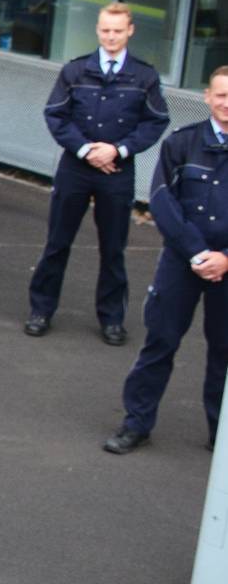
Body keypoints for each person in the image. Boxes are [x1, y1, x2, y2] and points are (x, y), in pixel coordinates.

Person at [26, 3, 170, 345]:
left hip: (117, 170)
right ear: (97, 30)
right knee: (57, 243)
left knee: (113, 248)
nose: (111, 37)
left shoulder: (144, 76)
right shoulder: (75, 71)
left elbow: (156, 120)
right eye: (105, 30)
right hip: (75, 167)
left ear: (130, 31)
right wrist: (87, 150)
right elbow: (56, 114)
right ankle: (40, 310)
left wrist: (117, 150)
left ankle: (112, 319)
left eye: (118, 31)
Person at [103, 67, 228, 456]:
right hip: (181, 262)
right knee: (159, 342)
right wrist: (196, 251)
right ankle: (136, 424)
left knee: (225, 353)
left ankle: (220, 437)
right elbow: (160, 199)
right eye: (221, 95)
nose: (227, 104)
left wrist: (224, 258)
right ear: (207, 96)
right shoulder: (182, 142)